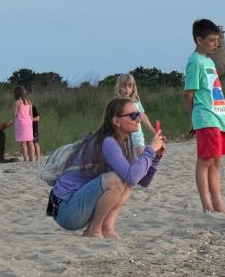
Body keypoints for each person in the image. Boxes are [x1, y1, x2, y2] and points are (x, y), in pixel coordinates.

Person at [49, 97, 165, 238]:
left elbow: (142, 181)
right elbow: (133, 177)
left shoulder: (124, 144)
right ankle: (94, 230)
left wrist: (156, 158)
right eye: (134, 115)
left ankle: (107, 228)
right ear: (116, 121)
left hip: (76, 206)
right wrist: (151, 149)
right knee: (117, 179)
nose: (139, 119)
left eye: (139, 114)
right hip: (64, 209)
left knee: (126, 182)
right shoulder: (107, 142)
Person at [185, 18, 225, 215]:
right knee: (205, 160)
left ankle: (218, 203)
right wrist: (195, 118)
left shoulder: (209, 61)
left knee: (216, 162)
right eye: (212, 40)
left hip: (219, 117)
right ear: (199, 40)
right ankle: (207, 205)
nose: (216, 44)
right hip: (206, 117)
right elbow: (189, 93)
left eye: (217, 39)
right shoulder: (195, 61)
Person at [115, 73, 155, 155]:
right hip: (123, 138)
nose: (127, 89)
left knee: (142, 155)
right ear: (119, 87)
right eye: (124, 86)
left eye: (130, 86)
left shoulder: (136, 101)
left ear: (133, 88)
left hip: (137, 136)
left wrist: (152, 130)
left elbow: (142, 116)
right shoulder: (117, 103)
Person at [13, 86, 36, 162]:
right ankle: (32, 158)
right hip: (29, 122)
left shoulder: (17, 102)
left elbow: (15, 114)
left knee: (23, 142)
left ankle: (26, 158)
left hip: (21, 123)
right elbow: (31, 114)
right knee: (30, 141)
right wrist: (30, 121)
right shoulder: (29, 101)